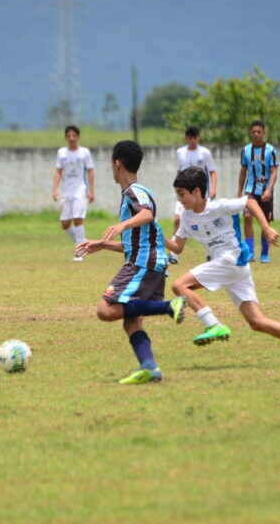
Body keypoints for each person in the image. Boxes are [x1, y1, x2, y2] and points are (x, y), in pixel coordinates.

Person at [167, 166, 280, 368]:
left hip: (230, 260)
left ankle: (213, 325)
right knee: (257, 322)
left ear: (197, 191)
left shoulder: (219, 206)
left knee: (180, 286)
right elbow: (177, 247)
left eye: (182, 194)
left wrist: (266, 228)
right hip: (234, 268)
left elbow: (249, 201)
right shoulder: (187, 217)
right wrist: (157, 236)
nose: (179, 199)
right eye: (177, 195)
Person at [76, 140, 187, 384]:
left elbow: (147, 213)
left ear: (117, 163)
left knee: (105, 310)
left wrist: (121, 225)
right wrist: (102, 245)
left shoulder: (134, 192)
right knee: (132, 322)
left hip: (142, 265)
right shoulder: (134, 193)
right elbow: (134, 243)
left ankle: (170, 306)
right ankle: (149, 368)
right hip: (149, 262)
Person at [169, 125, 218, 265]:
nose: (192, 140)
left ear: (198, 138)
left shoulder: (204, 153)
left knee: (205, 222)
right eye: (189, 137)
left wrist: (213, 189)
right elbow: (179, 172)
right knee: (177, 220)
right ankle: (173, 254)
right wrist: (177, 190)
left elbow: (213, 172)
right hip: (184, 194)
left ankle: (211, 252)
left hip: (199, 194)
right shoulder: (180, 152)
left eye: (194, 137)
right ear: (186, 138)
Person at [237, 120, 279, 263]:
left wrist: (269, 189)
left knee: (265, 221)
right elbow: (243, 172)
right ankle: (249, 252)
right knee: (247, 217)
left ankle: (265, 254)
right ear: (250, 133)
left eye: (258, 132)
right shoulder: (246, 150)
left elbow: (274, 172)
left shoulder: (271, 151)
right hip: (250, 190)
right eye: (253, 132)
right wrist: (239, 192)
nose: (256, 134)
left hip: (265, 191)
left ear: (263, 133)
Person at [52, 125, 95, 261]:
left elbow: (90, 171)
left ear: (78, 137)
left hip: (80, 189)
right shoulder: (61, 153)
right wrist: (54, 189)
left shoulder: (84, 152)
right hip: (66, 191)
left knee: (77, 218)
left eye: (74, 135)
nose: (71, 138)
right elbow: (58, 172)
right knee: (65, 223)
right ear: (66, 137)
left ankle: (79, 253)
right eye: (69, 136)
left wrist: (91, 190)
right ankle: (82, 241)